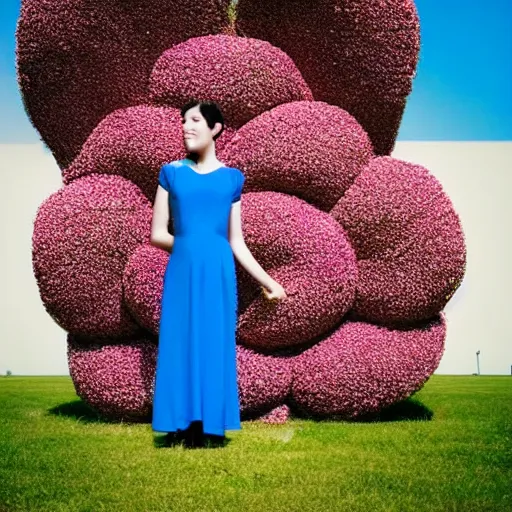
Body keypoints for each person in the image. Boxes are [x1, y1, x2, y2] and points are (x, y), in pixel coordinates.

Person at [150, 100, 287, 448]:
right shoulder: (171, 173)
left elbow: (236, 242)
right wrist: (189, 248)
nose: (186, 126)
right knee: (179, 342)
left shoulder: (232, 179)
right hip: (182, 269)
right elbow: (157, 234)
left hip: (219, 273)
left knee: (214, 343)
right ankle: (180, 424)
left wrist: (269, 282)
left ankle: (211, 426)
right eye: (183, 120)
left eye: (194, 120)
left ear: (215, 128)